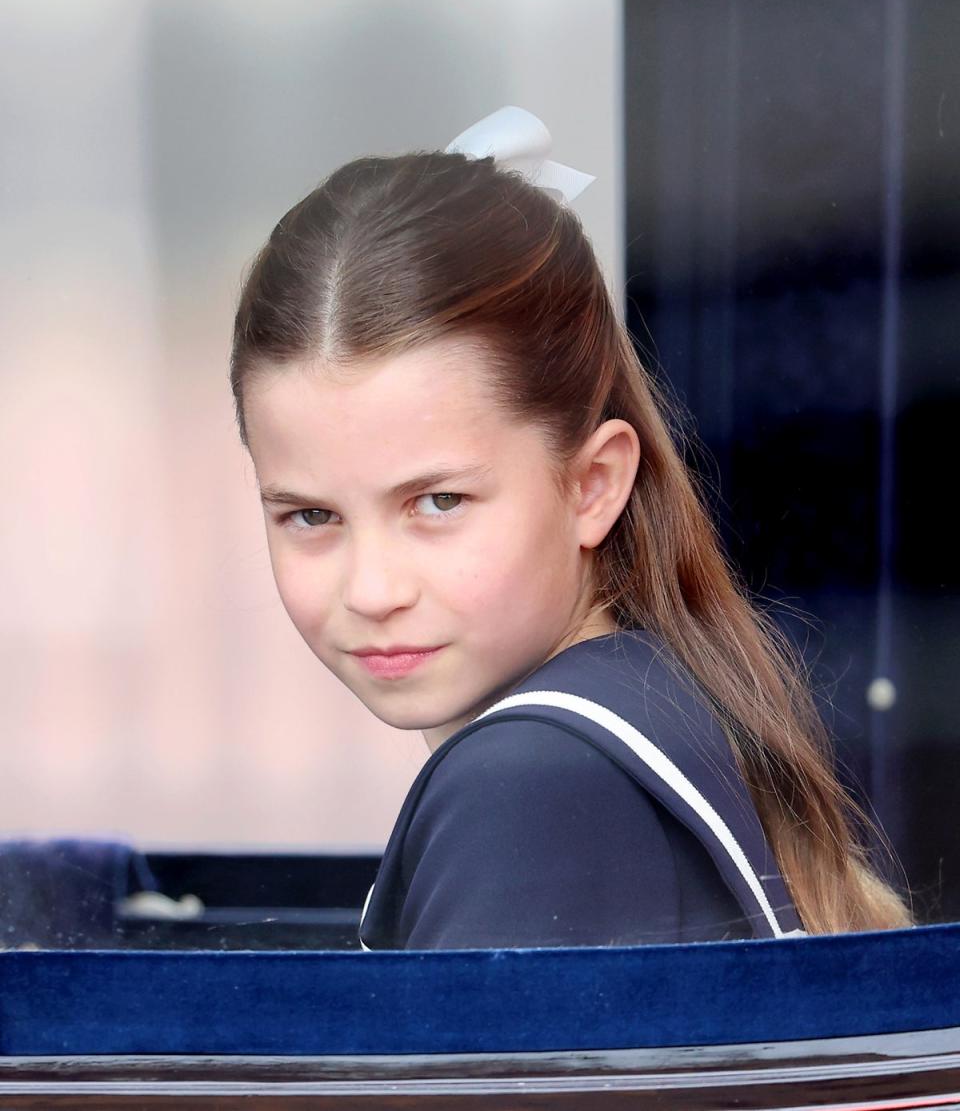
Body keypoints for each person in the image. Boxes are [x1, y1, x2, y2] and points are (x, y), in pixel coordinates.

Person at [229, 108, 911, 950]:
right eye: (311, 516)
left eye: (438, 502)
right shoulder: (660, 694)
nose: (372, 589)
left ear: (593, 485)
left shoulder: (529, 785)